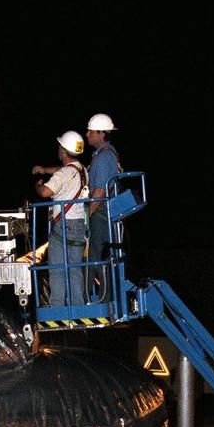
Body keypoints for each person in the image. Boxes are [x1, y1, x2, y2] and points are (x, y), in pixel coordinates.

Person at [32, 130, 89, 307]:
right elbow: (63, 171)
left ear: (63, 150)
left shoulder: (63, 175)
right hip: (79, 225)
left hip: (62, 226)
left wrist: (38, 185)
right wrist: (44, 169)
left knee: (57, 269)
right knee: (74, 269)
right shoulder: (82, 171)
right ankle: (78, 306)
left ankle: (57, 307)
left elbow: (45, 192)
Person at [84, 113, 121, 300]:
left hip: (100, 214)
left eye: (91, 131)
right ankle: (95, 297)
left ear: (102, 134)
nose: (87, 134)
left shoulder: (104, 157)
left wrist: (86, 216)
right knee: (98, 256)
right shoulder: (103, 155)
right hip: (103, 213)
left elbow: (99, 192)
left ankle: (101, 299)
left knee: (98, 257)